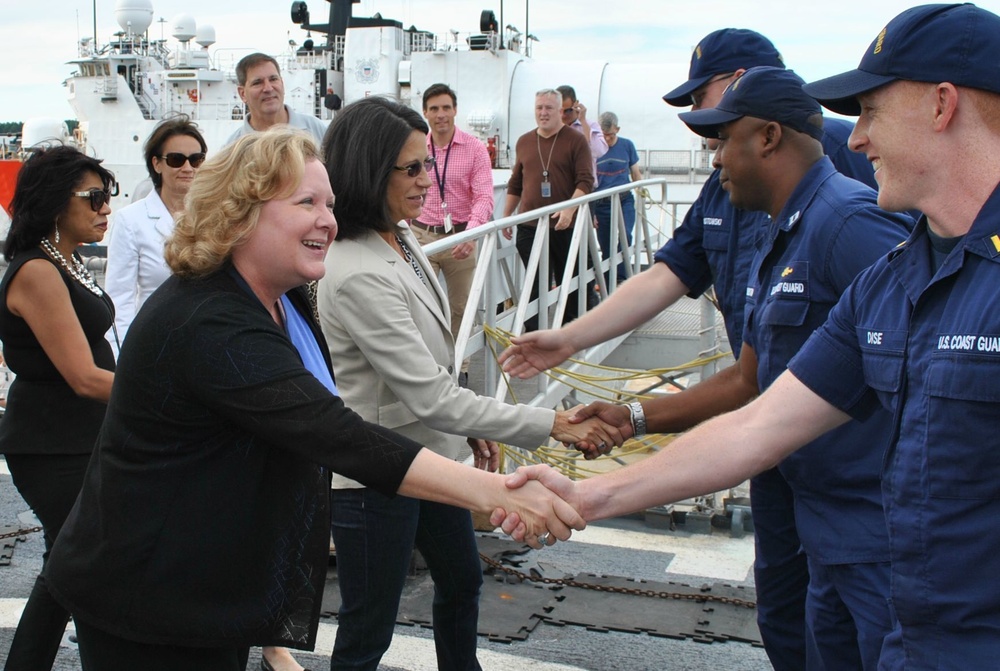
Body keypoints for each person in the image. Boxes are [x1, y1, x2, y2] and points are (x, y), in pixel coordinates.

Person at [499, 3, 1000, 668]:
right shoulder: (890, 280)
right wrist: (587, 495)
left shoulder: (851, 230)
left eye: (873, 110)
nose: (855, 139)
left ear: (942, 105)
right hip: (898, 615)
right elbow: (758, 421)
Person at [39, 128, 585, 670]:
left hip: (204, 579)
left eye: (330, 203)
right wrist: (502, 493)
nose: (329, 219)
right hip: (146, 595)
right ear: (240, 212)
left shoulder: (284, 298)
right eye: (307, 203)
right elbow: (337, 433)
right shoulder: (209, 319)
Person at [575, 67, 913, 669]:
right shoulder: (784, 235)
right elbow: (751, 385)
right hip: (823, 526)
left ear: (768, 137)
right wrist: (631, 416)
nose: (714, 162)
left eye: (722, 142)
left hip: (875, 535)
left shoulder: (848, 223)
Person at [318, 95, 618, 671]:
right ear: (368, 172)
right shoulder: (354, 270)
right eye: (410, 169)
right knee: (368, 627)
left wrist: (467, 432)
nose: (426, 180)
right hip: (377, 475)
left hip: (435, 452)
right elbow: (428, 394)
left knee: (462, 581)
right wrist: (552, 423)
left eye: (425, 164)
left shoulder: (400, 238)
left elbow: (435, 376)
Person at [0, 145, 117, 670]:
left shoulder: (65, 261)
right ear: (53, 201)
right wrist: (167, 391)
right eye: (93, 196)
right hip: (52, 443)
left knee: (73, 563)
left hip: (80, 436)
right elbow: (84, 377)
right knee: (76, 563)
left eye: (107, 195)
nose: (105, 207)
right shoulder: (38, 271)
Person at [411, 83, 494, 387]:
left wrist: (470, 235)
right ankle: (428, 369)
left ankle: (459, 368)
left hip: (461, 236)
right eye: (434, 109)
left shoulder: (473, 148)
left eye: (446, 108)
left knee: (461, 307)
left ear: (455, 110)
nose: (441, 115)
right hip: (422, 236)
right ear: (425, 113)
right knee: (421, 304)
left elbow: (484, 196)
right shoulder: (417, 146)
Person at [105, 115, 206, 350]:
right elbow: (119, 301)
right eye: (176, 160)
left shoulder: (216, 217)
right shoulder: (131, 221)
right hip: (156, 344)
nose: (187, 168)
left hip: (207, 342)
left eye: (196, 160)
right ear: (157, 164)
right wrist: (121, 361)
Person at [503, 88, 595, 332]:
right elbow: (516, 183)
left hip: (566, 226)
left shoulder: (576, 140)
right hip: (530, 225)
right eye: (539, 108)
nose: (543, 113)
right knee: (536, 281)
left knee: (572, 280)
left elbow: (586, 181)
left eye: (549, 108)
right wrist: (506, 217)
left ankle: (570, 332)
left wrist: (569, 209)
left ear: (560, 111)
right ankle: (534, 332)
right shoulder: (524, 141)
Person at [226, 53, 328, 145]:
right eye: (257, 82)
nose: (268, 88)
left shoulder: (316, 130)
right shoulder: (232, 148)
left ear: (282, 84)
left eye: (273, 79)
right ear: (242, 94)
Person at [593, 111, 641, 285]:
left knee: (626, 236)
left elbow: (635, 173)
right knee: (606, 245)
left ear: (617, 130)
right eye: (603, 135)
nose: (606, 140)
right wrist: (592, 212)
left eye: (610, 135)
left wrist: (640, 191)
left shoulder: (627, 145)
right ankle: (607, 282)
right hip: (602, 204)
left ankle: (622, 278)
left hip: (624, 200)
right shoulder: (594, 149)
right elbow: (589, 181)